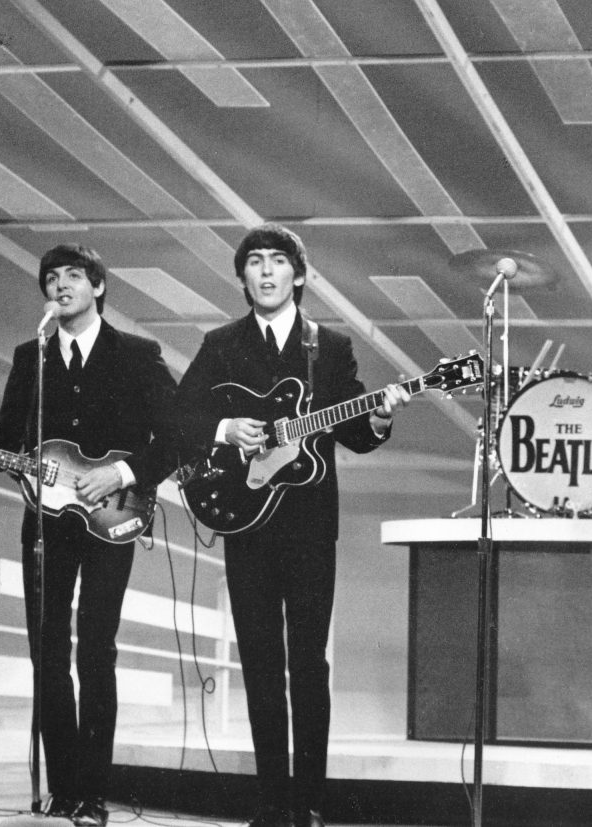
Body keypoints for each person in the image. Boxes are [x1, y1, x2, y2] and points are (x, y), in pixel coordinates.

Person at [0, 244, 181, 827]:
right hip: (45, 523)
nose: (60, 285)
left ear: (98, 287)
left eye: (73, 276)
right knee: (47, 654)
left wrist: (122, 474)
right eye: (51, 278)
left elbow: (174, 439)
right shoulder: (32, 355)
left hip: (113, 517)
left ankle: (93, 796)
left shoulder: (136, 354)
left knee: (96, 651)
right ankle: (63, 790)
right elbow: (10, 439)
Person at [173, 224, 409, 827]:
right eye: (255, 261)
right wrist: (226, 429)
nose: (266, 271)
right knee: (258, 662)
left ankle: (309, 803)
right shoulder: (220, 343)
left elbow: (356, 434)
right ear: (243, 277)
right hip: (244, 519)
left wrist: (381, 417)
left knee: (308, 664)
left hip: (309, 528)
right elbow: (178, 416)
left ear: (298, 275)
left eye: (278, 261)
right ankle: (271, 803)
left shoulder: (329, 347)